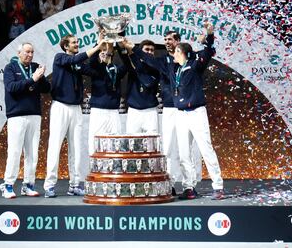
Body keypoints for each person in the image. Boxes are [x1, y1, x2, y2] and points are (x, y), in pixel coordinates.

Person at [122, 22, 224, 200]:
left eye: (174, 46)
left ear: (181, 50)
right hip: (179, 113)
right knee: (183, 152)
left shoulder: (194, 65)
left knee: (205, 148)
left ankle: (218, 186)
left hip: (196, 112)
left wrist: (209, 34)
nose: (169, 47)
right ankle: (189, 187)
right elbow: (150, 60)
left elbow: (207, 52)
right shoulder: (169, 66)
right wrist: (134, 49)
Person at [44, 34, 105, 198]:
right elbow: (75, 59)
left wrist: (98, 44)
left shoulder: (78, 64)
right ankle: (49, 185)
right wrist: (96, 47)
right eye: (74, 42)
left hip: (76, 109)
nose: (77, 44)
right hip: (60, 107)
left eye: (77, 42)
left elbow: (92, 71)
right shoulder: (60, 58)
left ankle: (75, 185)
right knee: (55, 146)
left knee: (77, 148)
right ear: (66, 46)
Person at [0, 42, 51, 199]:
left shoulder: (35, 67)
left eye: (32, 52)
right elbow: (12, 88)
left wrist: (40, 77)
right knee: (14, 152)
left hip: (34, 114)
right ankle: (8, 185)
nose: (30, 55)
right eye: (27, 52)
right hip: (16, 116)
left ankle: (28, 185)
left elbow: (46, 89)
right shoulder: (11, 68)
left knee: (32, 153)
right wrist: (32, 79)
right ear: (19, 53)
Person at [87, 42, 127, 155]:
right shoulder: (95, 68)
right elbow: (92, 60)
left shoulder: (117, 70)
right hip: (98, 111)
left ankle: (114, 170)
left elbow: (128, 63)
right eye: (102, 51)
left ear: (112, 53)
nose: (104, 53)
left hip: (114, 111)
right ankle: (94, 170)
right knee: (95, 142)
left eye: (107, 51)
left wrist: (119, 45)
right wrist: (97, 44)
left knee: (116, 143)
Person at [123, 39, 159, 133]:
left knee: (152, 143)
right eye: (147, 49)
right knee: (132, 143)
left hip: (150, 111)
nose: (150, 52)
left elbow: (149, 83)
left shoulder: (157, 68)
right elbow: (123, 55)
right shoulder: (132, 64)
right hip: (134, 111)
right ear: (140, 51)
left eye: (152, 50)